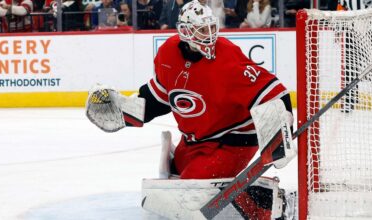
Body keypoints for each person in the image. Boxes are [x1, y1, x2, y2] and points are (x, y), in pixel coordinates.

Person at [86, 0, 292, 218]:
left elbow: (273, 91)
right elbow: (159, 98)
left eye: (211, 28)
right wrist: (124, 112)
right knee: (175, 176)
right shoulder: (167, 54)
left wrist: (280, 127)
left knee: (190, 191)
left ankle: (268, 204)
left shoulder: (228, 57)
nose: (210, 35)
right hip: (195, 140)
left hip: (233, 140)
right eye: (202, 30)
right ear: (185, 31)